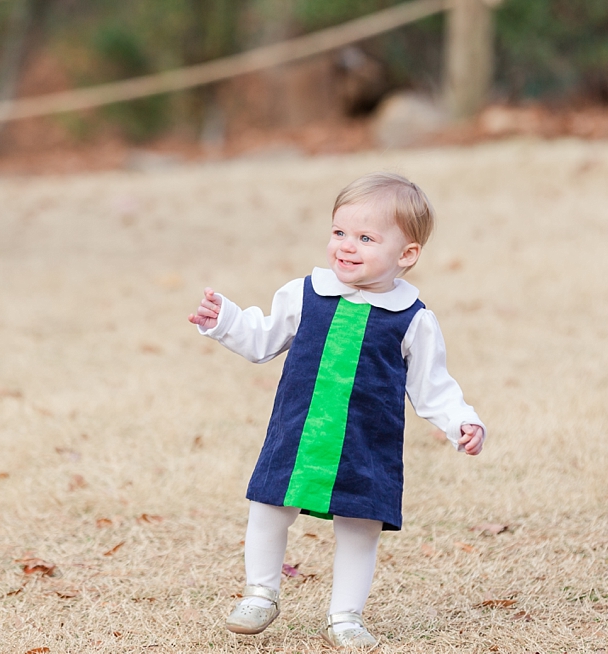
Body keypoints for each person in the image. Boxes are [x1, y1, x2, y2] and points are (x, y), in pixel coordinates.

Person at [188, 172, 486, 649]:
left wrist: (462, 421)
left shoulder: (412, 318)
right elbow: (262, 341)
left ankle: (345, 616)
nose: (347, 246)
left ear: (406, 254)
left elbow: (433, 386)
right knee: (268, 506)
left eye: (366, 238)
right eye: (339, 233)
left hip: (367, 442)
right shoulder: (304, 294)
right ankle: (260, 591)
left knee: (361, 525)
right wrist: (225, 320)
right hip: (298, 432)